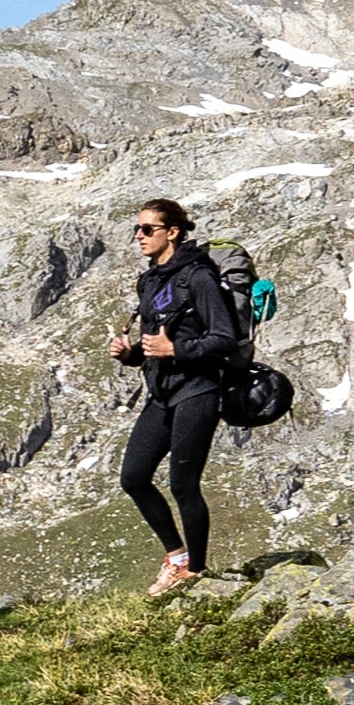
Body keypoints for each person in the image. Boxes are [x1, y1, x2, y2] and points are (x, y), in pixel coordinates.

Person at [109, 199, 250, 594]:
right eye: (136, 229)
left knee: (183, 484)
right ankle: (177, 555)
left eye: (147, 229)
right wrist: (133, 354)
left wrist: (176, 352)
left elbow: (223, 337)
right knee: (134, 477)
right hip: (162, 392)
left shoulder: (198, 277)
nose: (139, 236)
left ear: (172, 232)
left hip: (198, 389)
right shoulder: (150, 280)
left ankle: (196, 572)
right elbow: (155, 343)